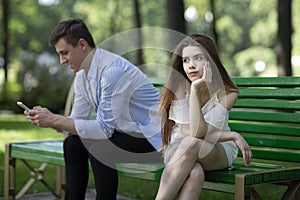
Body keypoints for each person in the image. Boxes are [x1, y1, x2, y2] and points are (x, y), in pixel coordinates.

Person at [24, 18, 162, 200]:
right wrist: (49, 119)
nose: (61, 61)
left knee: (99, 146)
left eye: (64, 53)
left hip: (155, 139)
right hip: (125, 134)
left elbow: (103, 130)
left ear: (82, 44)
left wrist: (55, 120)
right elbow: (76, 122)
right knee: (73, 144)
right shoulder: (82, 75)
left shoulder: (113, 71)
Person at [155, 34, 252, 200]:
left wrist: (195, 91)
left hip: (216, 150)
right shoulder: (179, 86)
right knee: (195, 172)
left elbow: (201, 134)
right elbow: (192, 133)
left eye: (198, 58)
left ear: (211, 61)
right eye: (185, 60)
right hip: (179, 148)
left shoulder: (227, 93)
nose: (191, 66)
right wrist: (232, 134)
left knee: (192, 144)